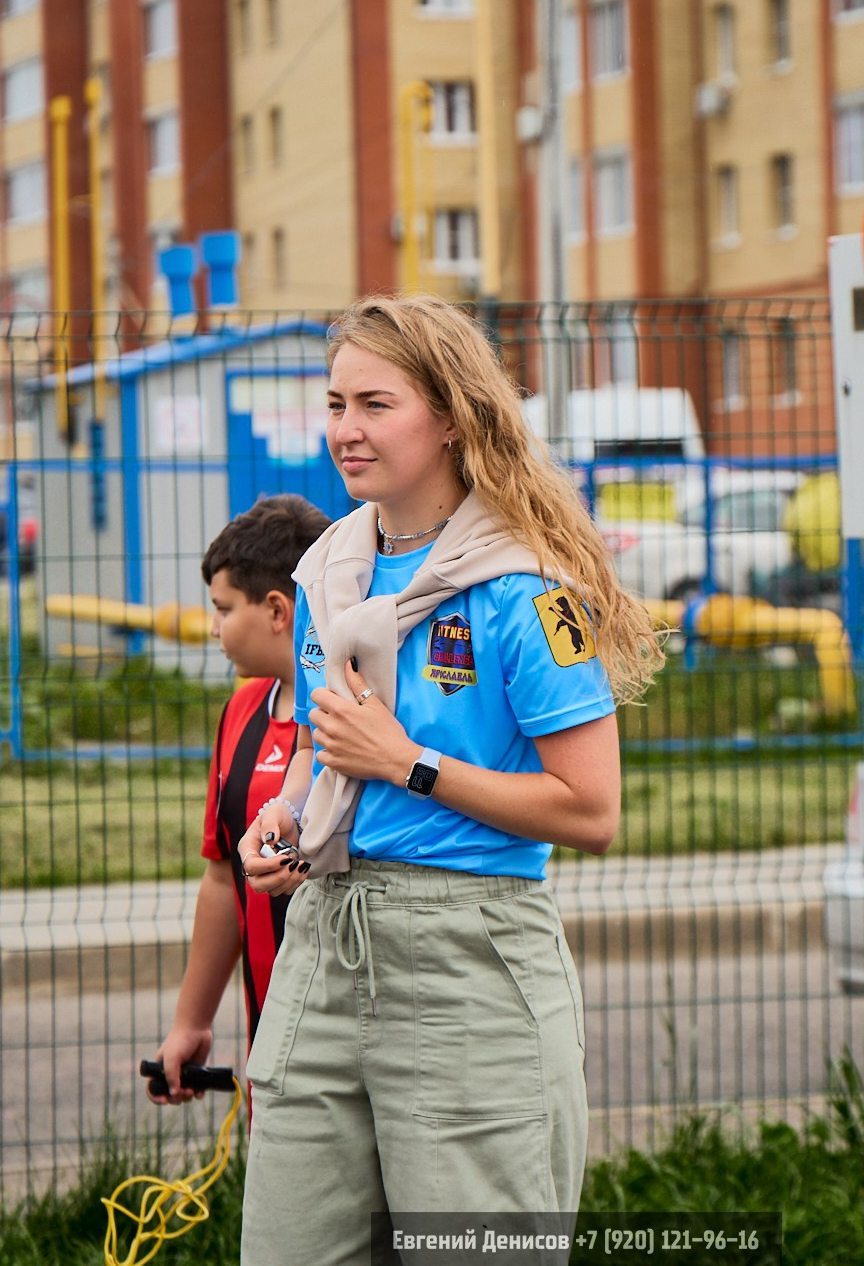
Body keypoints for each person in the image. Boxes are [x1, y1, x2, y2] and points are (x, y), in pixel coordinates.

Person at [238, 295, 664, 1264]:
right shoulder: (329, 569)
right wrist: (284, 814)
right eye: (336, 402)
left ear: (452, 413)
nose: (346, 429)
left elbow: (590, 812)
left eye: (375, 404)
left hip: (467, 957)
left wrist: (409, 766)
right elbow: (321, 741)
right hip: (325, 944)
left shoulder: (526, 588)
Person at [151, 494, 330, 1105]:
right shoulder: (242, 711)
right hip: (267, 1041)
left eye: (223, 609)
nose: (213, 627)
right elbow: (224, 880)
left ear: (278, 610)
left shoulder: (352, 715)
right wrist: (190, 1022)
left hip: (346, 1033)